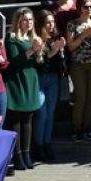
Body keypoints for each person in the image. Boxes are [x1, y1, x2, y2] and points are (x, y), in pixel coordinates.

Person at [3, 7, 44, 172]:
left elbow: (38, 63)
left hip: (31, 79)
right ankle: (18, 156)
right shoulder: (12, 38)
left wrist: (40, 53)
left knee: (28, 118)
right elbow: (14, 60)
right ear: (18, 21)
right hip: (17, 80)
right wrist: (32, 50)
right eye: (25, 19)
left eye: (30, 20)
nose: (28, 23)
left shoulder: (32, 38)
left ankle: (27, 154)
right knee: (17, 119)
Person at [66, 0, 91, 142]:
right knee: (80, 98)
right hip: (78, 64)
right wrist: (83, 35)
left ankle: (87, 128)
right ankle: (77, 129)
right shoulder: (72, 24)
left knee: (90, 98)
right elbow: (71, 46)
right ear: (80, 8)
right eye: (86, 7)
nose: (89, 10)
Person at [33, 10, 66, 161]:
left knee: (50, 114)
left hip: (53, 79)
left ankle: (47, 144)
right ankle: (38, 146)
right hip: (40, 78)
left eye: (52, 22)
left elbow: (60, 62)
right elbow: (38, 64)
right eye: (48, 22)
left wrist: (61, 52)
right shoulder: (37, 40)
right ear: (41, 24)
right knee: (42, 114)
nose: (51, 25)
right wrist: (53, 52)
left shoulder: (56, 38)